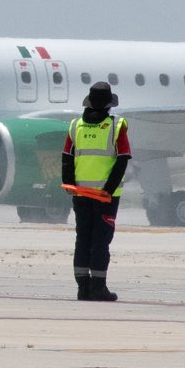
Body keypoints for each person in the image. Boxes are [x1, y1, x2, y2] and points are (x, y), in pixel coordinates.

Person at [61, 81, 130, 302]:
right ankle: (99, 287)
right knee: (101, 240)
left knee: (83, 237)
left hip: (81, 193)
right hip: (104, 196)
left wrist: (69, 183)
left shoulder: (76, 125)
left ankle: (83, 288)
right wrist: (109, 189)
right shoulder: (116, 125)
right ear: (109, 104)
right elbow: (122, 159)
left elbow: (67, 157)